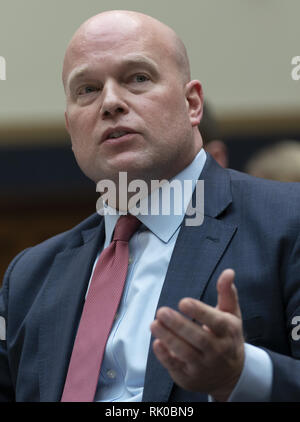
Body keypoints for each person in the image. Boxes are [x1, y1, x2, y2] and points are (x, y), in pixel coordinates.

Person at [0, 10, 300, 403]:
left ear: (193, 104)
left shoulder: (287, 222)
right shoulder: (29, 277)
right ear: (71, 128)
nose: (110, 102)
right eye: (87, 89)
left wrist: (242, 374)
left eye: (137, 78)